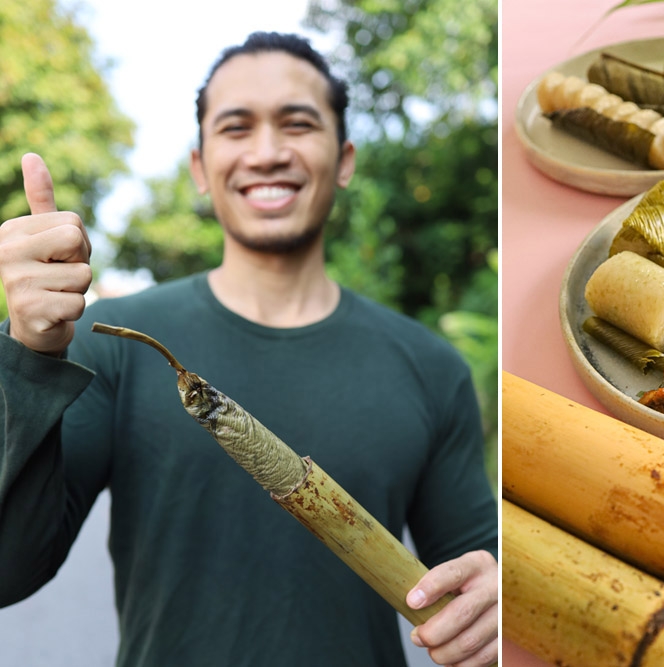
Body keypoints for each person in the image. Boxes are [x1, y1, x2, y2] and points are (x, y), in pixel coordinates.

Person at [0, 32, 498, 667]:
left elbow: (476, 587)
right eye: (236, 128)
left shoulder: (430, 368)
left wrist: (493, 601)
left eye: (297, 123)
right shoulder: (110, 346)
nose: (267, 152)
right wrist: (29, 354)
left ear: (343, 159)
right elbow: (9, 572)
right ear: (201, 168)